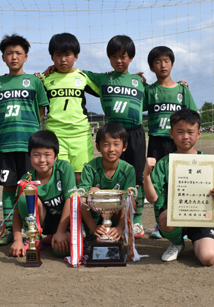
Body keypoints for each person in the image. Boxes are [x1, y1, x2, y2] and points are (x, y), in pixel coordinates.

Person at [143, 109, 214, 266]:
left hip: (202, 219)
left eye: (191, 132)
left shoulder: (208, 163)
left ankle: (199, 242)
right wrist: (146, 175)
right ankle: (177, 243)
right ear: (171, 133)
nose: (186, 136)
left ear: (199, 133)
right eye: (180, 132)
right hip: (175, 219)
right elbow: (152, 198)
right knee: (165, 217)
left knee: (208, 258)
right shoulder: (165, 163)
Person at [83, 35, 146, 239]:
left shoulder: (139, 81)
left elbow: (159, 91)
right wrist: (53, 69)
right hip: (114, 133)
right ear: (109, 58)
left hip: (135, 133)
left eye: (123, 56)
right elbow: (76, 73)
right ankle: (106, 216)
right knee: (113, 172)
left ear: (131, 57)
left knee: (137, 177)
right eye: (114, 56)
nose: (119, 60)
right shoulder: (103, 78)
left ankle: (136, 220)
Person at [0, 34, 49, 245]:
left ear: (25, 56)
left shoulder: (34, 81)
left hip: (28, 145)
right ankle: (8, 228)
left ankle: (30, 227)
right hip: (6, 144)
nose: (13, 57)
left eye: (18, 53)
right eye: (9, 53)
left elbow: (41, 110)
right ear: (3, 57)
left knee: (30, 187)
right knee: (8, 187)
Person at [144, 46, 199, 239]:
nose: (162, 65)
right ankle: (160, 222)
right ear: (152, 67)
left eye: (166, 61)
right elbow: (133, 101)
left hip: (177, 143)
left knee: (179, 181)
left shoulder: (182, 90)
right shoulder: (149, 91)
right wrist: (134, 81)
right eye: (157, 62)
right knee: (158, 182)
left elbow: (193, 116)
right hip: (156, 141)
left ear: (172, 63)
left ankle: (183, 222)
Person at [40, 33, 100, 183]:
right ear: (52, 57)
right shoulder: (44, 78)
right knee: (59, 176)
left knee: (80, 177)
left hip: (80, 135)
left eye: (67, 55)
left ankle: (79, 207)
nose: (63, 59)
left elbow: (103, 90)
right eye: (58, 55)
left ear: (76, 56)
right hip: (56, 135)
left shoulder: (83, 77)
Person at [9, 130, 76, 257]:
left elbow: (70, 200)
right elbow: (17, 212)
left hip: (64, 221)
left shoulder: (64, 168)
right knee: (25, 197)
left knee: (61, 251)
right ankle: (35, 237)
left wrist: (61, 232)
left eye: (47, 155)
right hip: (43, 221)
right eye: (36, 155)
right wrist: (17, 240)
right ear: (29, 156)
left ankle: (51, 238)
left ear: (56, 156)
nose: (42, 160)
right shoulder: (26, 179)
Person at [78, 123, 136, 247]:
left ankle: (117, 230)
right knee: (88, 193)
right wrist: (94, 228)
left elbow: (129, 203)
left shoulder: (128, 169)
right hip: (94, 214)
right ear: (98, 147)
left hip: (116, 215)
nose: (111, 149)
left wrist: (120, 227)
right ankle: (90, 232)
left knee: (129, 200)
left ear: (124, 147)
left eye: (116, 144)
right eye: (106, 144)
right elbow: (82, 199)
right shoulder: (90, 168)